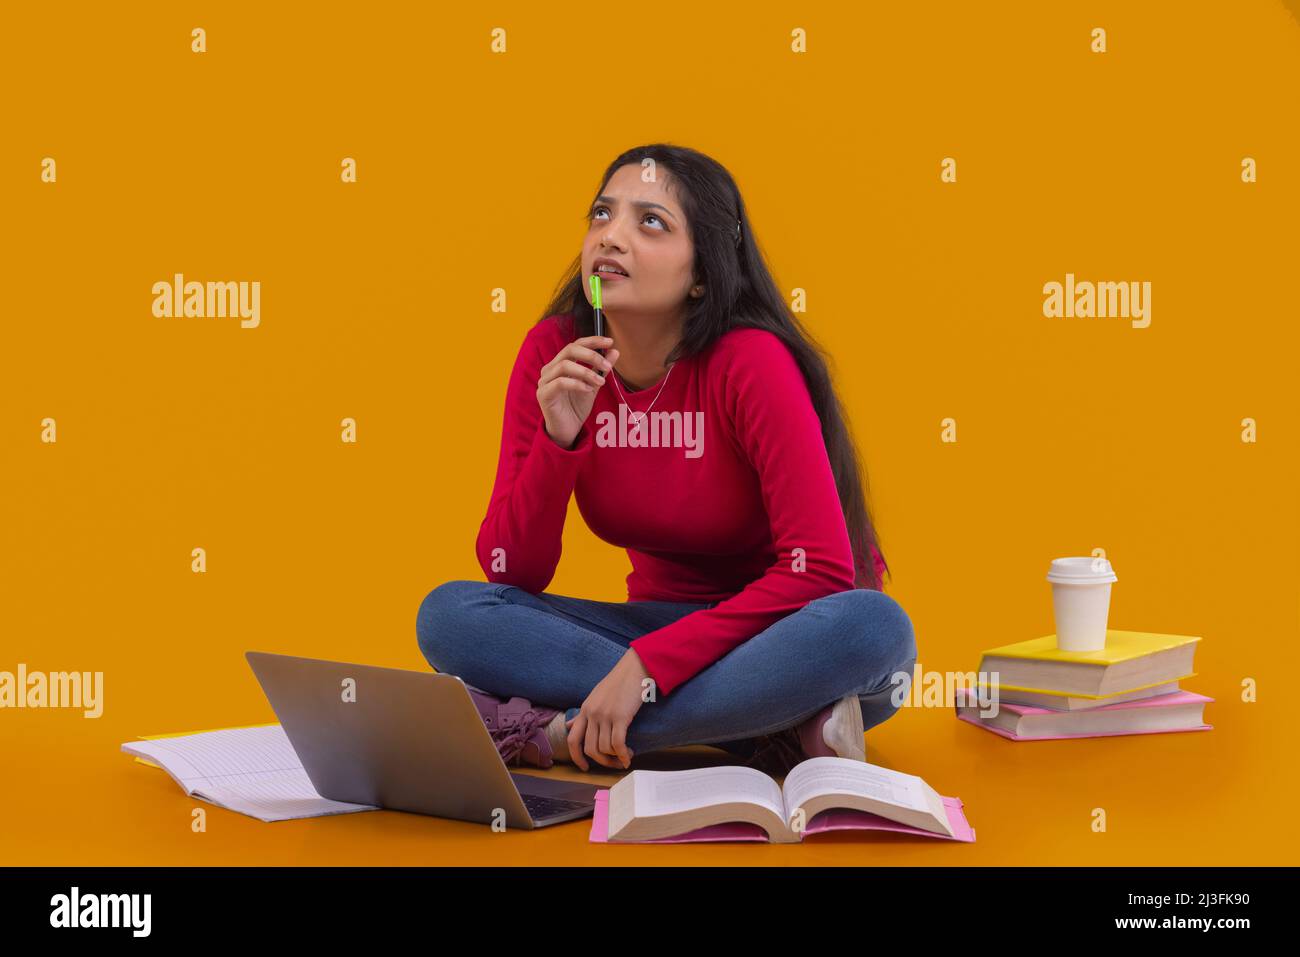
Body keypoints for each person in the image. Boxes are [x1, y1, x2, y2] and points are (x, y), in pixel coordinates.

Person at [417, 143, 916, 777]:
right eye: (602, 215)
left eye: (650, 221)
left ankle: (559, 734)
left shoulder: (748, 361)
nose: (611, 237)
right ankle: (764, 726)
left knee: (876, 628)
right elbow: (510, 569)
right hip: (644, 631)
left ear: (703, 272)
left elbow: (818, 571)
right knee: (449, 615)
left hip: (785, 636)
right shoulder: (557, 352)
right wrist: (559, 441)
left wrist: (649, 669)